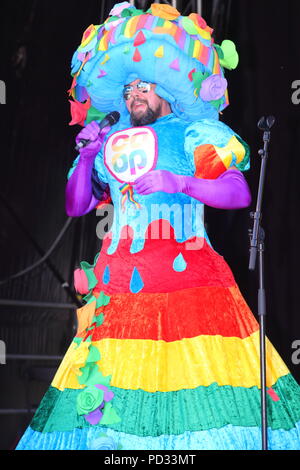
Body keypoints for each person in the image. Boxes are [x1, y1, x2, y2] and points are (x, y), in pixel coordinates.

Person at [16, 3, 300, 451]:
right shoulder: (111, 142)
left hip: (190, 288)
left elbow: (237, 192)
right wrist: (88, 156)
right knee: (113, 411)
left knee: (198, 402)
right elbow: (77, 205)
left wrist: (179, 181)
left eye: (143, 88)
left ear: (165, 90)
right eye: (127, 91)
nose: (133, 97)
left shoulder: (193, 133)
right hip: (121, 292)